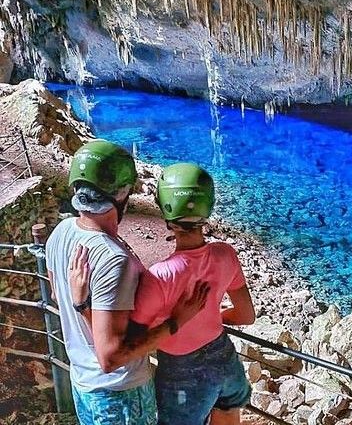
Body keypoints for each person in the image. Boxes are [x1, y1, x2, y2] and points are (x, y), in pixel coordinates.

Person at [71, 162, 256, 425]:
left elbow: (125, 345)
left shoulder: (160, 277)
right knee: (228, 407)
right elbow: (246, 315)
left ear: (166, 212)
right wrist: (210, 316)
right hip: (224, 359)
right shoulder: (225, 255)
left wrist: (83, 304)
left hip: (183, 374)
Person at [46, 140, 209, 425]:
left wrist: (85, 307)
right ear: (121, 194)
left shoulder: (60, 233)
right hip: (119, 394)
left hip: (83, 383)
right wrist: (176, 322)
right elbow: (111, 356)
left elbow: (57, 297)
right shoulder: (111, 259)